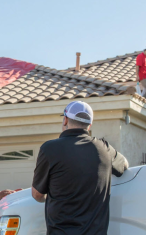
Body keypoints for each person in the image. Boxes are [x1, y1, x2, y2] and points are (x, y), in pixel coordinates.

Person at [32, 101, 129, 235]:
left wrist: (51, 196)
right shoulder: (104, 149)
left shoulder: (49, 149)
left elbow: (37, 194)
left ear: (65, 120)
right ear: (89, 125)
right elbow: (124, 164)